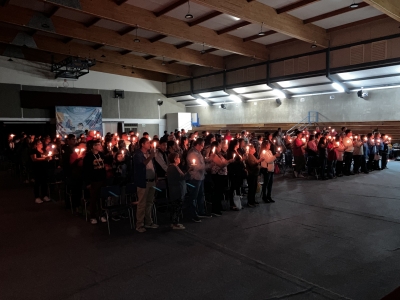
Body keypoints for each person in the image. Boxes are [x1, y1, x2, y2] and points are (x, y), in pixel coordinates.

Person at [133, 137, 158, 233]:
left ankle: (148, 221)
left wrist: (155, 175)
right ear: (142, 144)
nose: (149, 144)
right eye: (147, 143)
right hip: (143, 182)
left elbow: (152, 166)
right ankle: (139, 225)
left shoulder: (149, 153)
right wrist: (150, 157)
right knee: (142, 204)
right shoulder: (138, 154)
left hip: (152, 181)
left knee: (149, 203)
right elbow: (141, 166)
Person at [186, 138, 210, 222]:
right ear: (198, 145)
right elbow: (198, 167)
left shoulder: (198, 152)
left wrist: (209, 160)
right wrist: (209, 166)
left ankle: (201, 211)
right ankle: (193, 214)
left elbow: (202, 162)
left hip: (200, 177)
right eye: (202, 146)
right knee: (193, 196)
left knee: (200, 195)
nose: (202, 147)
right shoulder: (192, 153)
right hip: (195, 178)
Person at [83, 139, 107, 224]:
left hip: (102, 180)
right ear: (93, 146)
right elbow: (86, 171)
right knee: (93, 199)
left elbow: (104, 167)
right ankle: (92, 216)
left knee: (102, 198)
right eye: (98, 145)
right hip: (93, 181)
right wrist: (88, 183)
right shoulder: (88, 157)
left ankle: (102, 215)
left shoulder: (101, 155)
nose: (100, 146)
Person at [167, 152, 191, 229]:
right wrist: (189, 171)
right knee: (177, 207)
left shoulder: (174, 167)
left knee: (177, 207)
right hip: (177, 191)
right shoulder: (173, 168)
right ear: (174, 159)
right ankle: (175, 223)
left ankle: (175, 222)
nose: (179, 159)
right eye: (178, 157)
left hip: (177, 190)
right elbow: (182, 177)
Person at [209, 141, 231, 215]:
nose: (220, 147)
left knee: (220, 192)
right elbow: (221, 165)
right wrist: (229, 162)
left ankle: (219, 206)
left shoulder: (219, 155)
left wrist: (228, 161)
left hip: (221, 176)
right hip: (217, 175)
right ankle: (215, 209)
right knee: (217, 192)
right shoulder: (214, 155)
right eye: (218, 146)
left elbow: (224, 162)